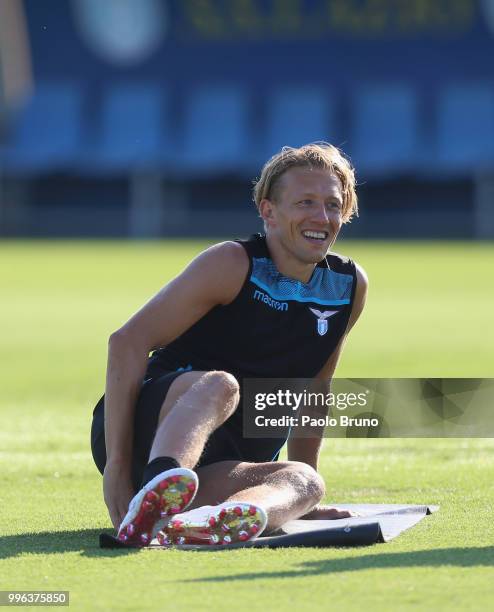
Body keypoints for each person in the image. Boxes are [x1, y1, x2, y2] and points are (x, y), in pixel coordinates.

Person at [91, 142, 368, 546]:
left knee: (305, 481)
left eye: (332, 204)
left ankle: (218, 520)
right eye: (305, 202)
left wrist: (301, 495)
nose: (321, 217)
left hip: (222, 462)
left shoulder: (348, 286)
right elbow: (127, 342)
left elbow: (314, 391)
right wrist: (116, 467)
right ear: (268, 211)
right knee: (222, 385)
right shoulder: (231, 263)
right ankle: (157, 488)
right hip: (151, 432)